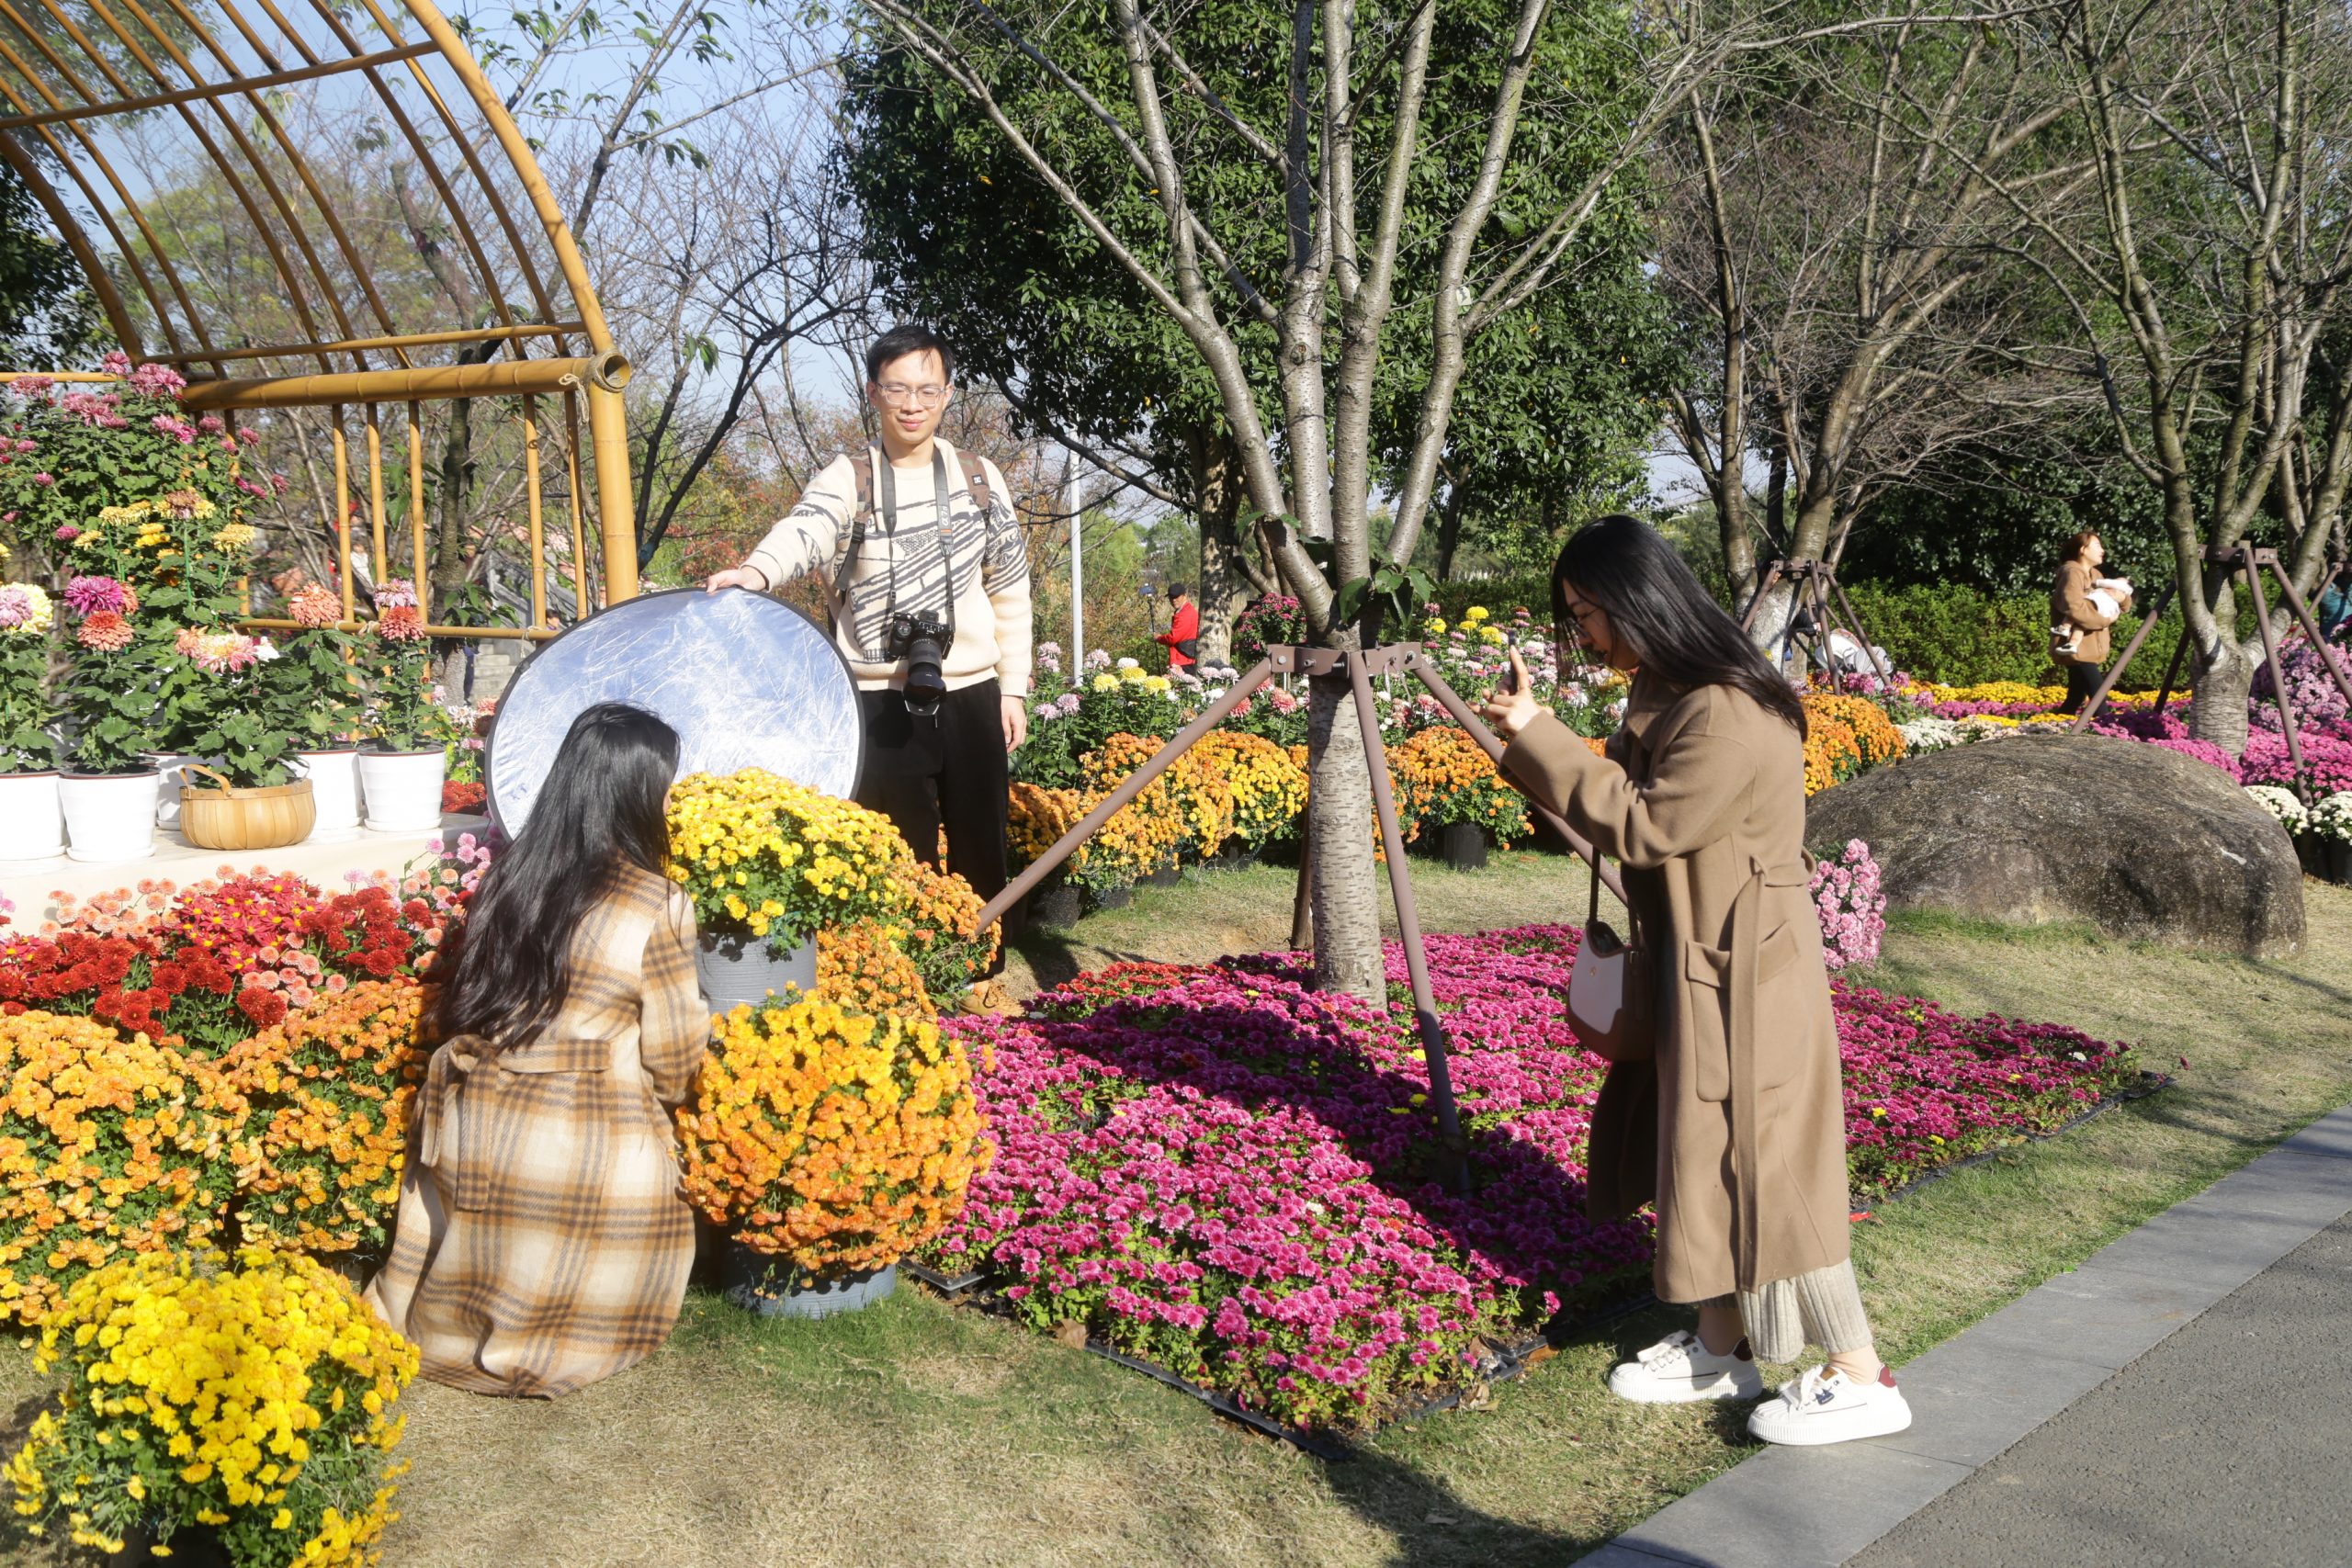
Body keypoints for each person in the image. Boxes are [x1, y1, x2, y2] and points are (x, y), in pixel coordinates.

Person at [1477, 514, 1911, 1448]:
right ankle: (1723, 1346)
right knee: (1706, 1155)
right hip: (1704, 959)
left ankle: (1860, 1372)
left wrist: (1539, 735)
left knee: (1772, 1168)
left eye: (1587, 613)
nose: (1584, 634)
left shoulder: (1724, 711)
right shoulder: (1674, 688)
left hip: (1748, 974)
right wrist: (1538, 740)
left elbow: (1647, 826)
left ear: (1636, 602)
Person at [368, 703, 706, 1398]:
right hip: (577, 1140)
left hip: (476, 1124)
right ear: (639, 792)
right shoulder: (658, 901)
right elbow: (675, 1060)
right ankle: (546, 1326)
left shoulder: (512, 875)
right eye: (667, 785)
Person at [705, 323, 1032, 1015]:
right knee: (895, 848)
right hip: (877, 698)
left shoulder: (979, 477)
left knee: (982, 840)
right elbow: (806, 530)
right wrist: (756, 572)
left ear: (948, 394)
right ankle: (906, 978)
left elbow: (1010, 588)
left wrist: (1014, 688)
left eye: (927, 390)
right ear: (873, 392)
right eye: (897, 389)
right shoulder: (849, 478)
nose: (912, 404)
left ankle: (982, 974)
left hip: (972, 690)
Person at [2052, 530, 2132, 716]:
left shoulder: (2096, 574)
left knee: (2075, 699)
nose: (2102, 550)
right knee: (2099, 698)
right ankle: (2106, 728)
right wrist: (2104, 621)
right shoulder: (2072, 572)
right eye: (2097, 546)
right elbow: (2073, 607)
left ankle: (2048, 727)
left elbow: (2121, 602)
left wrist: (2121, 598)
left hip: (2090, 647)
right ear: (2082, 549)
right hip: (2077, 647)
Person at [1156, 581, 1199, 672]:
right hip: (1186, 659)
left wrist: (1159, 638)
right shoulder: (1187, 610)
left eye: (1176, 596)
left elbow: (1173, 638)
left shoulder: (1185, 614)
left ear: (1185, 596)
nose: (1174, 600)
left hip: (1184, 661)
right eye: (1171, 597)